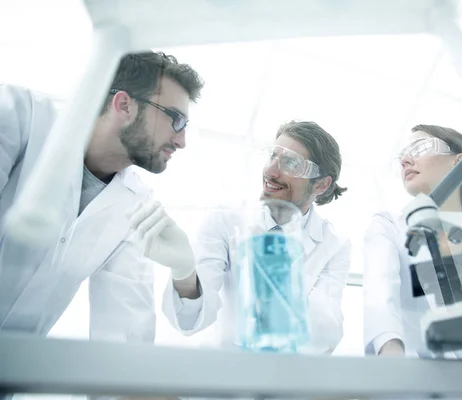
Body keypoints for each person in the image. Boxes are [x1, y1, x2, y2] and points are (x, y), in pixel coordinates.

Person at [0, 51, 204, 342]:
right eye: (176, 119)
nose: (181, 141)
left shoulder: (137, 208)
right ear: (124, 105)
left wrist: (184, 270)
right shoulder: (18, 116)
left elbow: (125, 339)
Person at [130, 120, 351, 353]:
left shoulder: (334, 245)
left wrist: (279, 286)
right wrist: (184, 272)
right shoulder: (226, 219)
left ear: (322, 185)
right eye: (272, 157)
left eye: (291, 163)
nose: (270, 171)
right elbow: (188, 320)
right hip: (225, 373)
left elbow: (327, 334)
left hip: (286, 375)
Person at [363, 124, 462, 358]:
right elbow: (379, 294)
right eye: (403, 156)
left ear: (458, 162)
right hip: (414, 381)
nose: (405, 160)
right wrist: (390, 352)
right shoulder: (389, 226)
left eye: (420, 148)